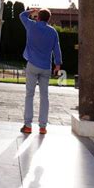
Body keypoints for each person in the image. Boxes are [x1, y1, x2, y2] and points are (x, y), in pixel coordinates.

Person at [19, 7, 62, 136]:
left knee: (29, 95)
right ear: (49, 19)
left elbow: (21, 15)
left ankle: (28, 125)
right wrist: (58, 65)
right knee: (44, 97)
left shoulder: (31, 26)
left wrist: (31, 11)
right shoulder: (53, 31)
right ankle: (43, 127)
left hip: (32, 64)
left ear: (38, 17)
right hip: (46, 67)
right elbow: (57, 49)